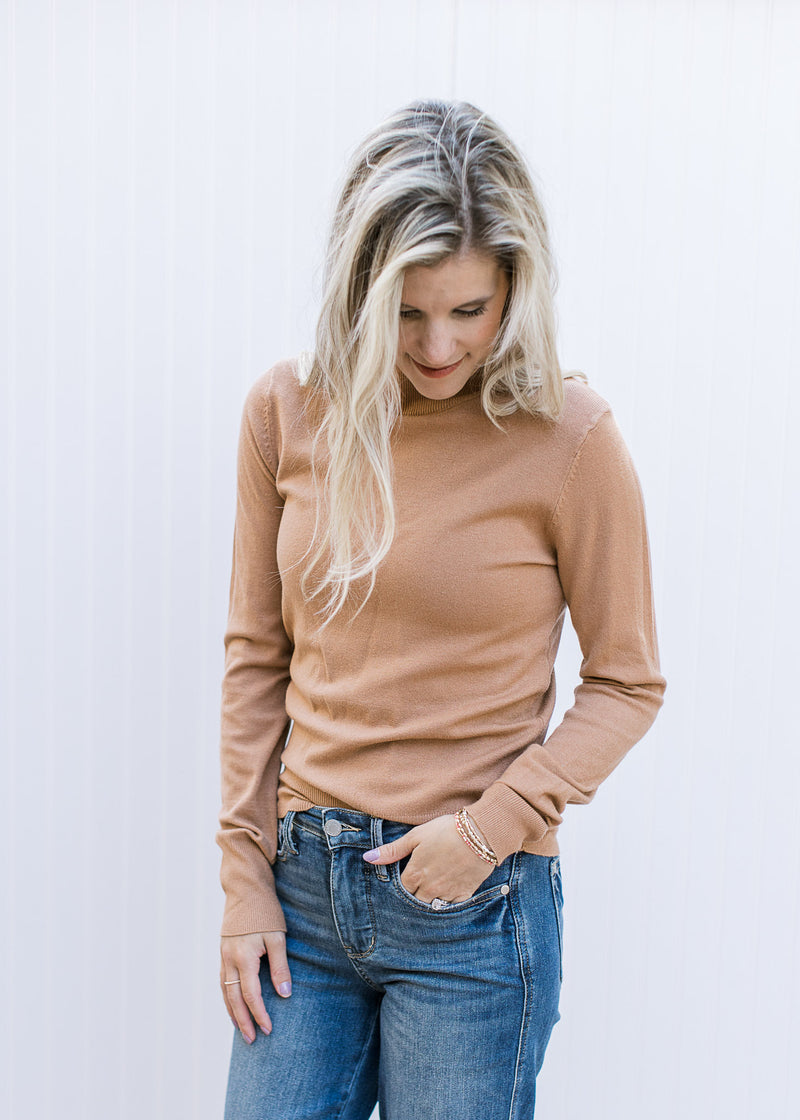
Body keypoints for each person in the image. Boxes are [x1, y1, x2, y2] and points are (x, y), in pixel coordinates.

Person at [216, 99, 666, 1120]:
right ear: (359, 289)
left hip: (475, 906)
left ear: (514, 284)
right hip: (302, 899)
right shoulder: (285, 411)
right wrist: (243, 881)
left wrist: (489, 828)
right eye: (407, 311)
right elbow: (256, 659)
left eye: (469, 309)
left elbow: (626, 681)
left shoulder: (569, 434)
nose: (435, 345)